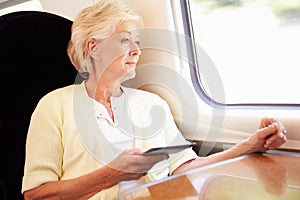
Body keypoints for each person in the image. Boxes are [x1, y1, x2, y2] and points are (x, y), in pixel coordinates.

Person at [22, 0, 287, 199]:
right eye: (125, 40)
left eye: (136, 41)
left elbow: (185, 167)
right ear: (94, 48)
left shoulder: (151, 103)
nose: (137, 51)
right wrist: (111, 175)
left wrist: (250, 144)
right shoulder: (54, 106)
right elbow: (36, 195)